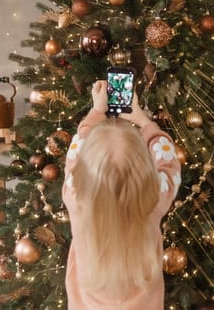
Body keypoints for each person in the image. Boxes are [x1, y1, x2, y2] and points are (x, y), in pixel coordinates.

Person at [62, 80, 182, 309]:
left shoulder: (75, 192)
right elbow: (169, 163)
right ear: (144, 169)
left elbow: (76, 151)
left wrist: (97, 112)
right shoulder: (155, 195)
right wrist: (144, 122)